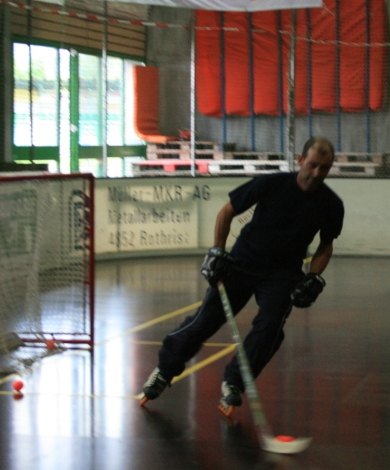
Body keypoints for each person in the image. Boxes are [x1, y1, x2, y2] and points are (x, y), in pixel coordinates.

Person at [141, 136, 345, 415]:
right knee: (205, 320)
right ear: (300, 160)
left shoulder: (331, 204)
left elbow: (326, 245)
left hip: (283, 273)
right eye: (312, 165)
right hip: (242, 262)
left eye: (324, 168)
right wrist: (217, 252)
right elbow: (227, 212)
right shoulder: (271, 184)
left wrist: (314, 276)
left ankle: (235, 382)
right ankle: (164, 370)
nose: (317, 173)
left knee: (270, 328)